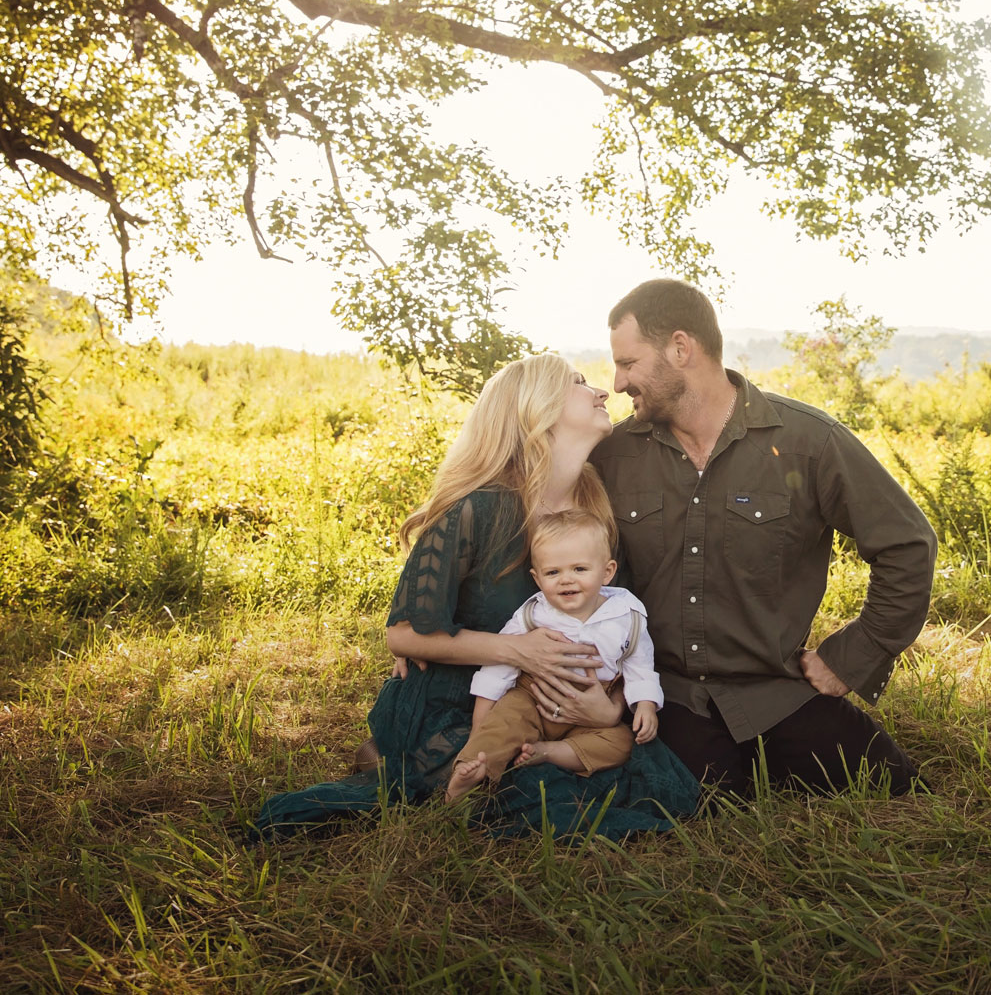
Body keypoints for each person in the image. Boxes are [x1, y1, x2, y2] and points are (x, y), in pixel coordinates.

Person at [251, 354, 699, 839]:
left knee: (645, 777)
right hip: (466, 699)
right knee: (531, 787)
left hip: (568, 709)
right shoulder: (479, 508)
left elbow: (617, 623)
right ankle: (411, 763)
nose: (601, 391)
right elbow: (402, 633)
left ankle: (403, 765)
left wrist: (609, 709)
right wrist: (515, 650)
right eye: (578, 382)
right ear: (537, 409)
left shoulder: (595, 510)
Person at [591, 278, 936, 797]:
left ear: (681, 348)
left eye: (628, 363)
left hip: (779, 691)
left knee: (892, 785)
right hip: (667, 697)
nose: (618, 384)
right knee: (700, 804)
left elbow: (907, 545)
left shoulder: (808, 442)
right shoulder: (614, 455)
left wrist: (851, 656)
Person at [443, 507, 663, 800]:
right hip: (532, 697)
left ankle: (548, 753)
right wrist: (482, 720)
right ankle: (470, 774)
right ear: (537, 578)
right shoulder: (533, 615)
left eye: (580, 569)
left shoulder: (628, 615)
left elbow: (639, 663)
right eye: (553, 572)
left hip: (589, 714)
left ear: (607, 572)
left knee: (621, 742)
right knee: (504, 724)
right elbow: (501, 664)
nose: (566, 580)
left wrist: (646, 704)